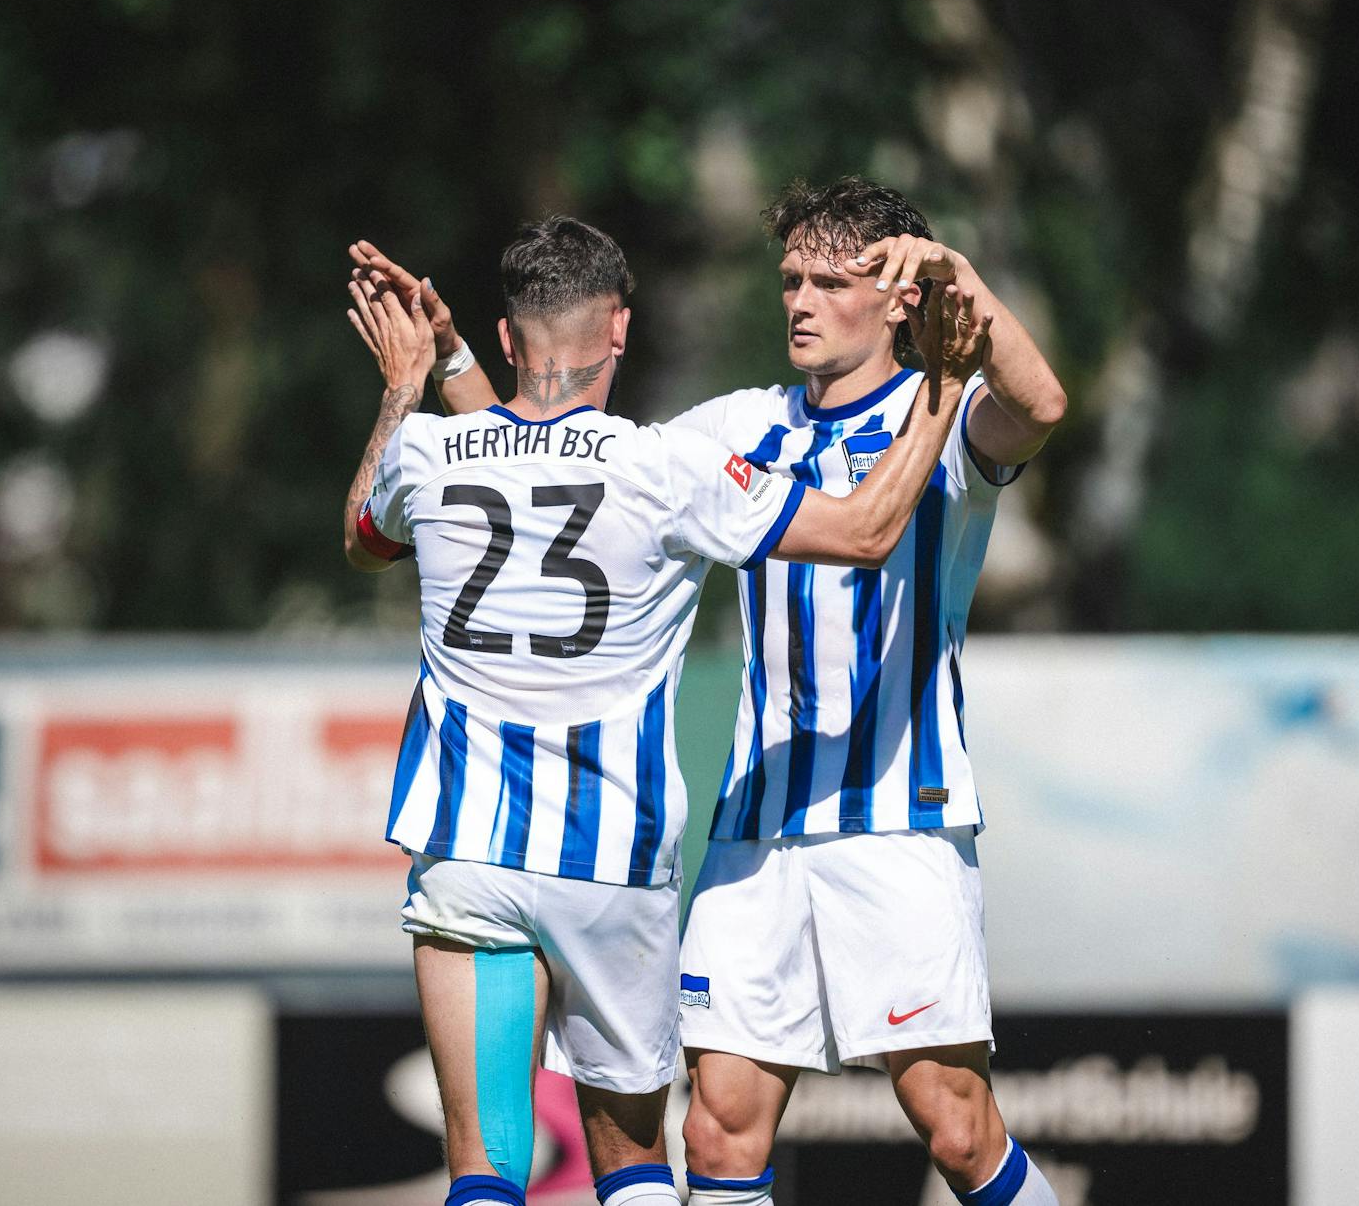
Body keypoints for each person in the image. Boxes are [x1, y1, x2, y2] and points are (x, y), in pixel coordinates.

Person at [351, 176, 1066, 1206]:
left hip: (893, 820)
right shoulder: (740, 422)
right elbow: (562, 465)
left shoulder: (938, 413)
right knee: (719, 1130)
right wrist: (462, 362)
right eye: (790, 278)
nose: (800, 301)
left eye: (831, 279)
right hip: (753, 832)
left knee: (955, 1124)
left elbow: (1040, 405)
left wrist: (960, 279)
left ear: (899, 296)